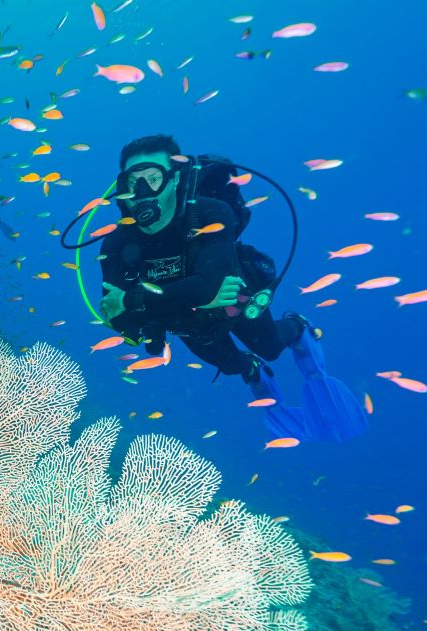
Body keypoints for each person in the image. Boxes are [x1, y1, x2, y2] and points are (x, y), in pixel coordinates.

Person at [97, 134, 367, 442]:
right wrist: (174, 300)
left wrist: (137, 302)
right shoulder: (117, 242)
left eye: (154, 178)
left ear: (174, 180)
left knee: (270, 347)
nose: (143, 191)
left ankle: (296, 327)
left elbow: (205, 287)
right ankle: (254, 372)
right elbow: (117, 319)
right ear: (122, 188)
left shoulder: (210, 214)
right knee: (233, 366)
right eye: (134, 181)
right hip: (191, 326)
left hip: (234, 301)